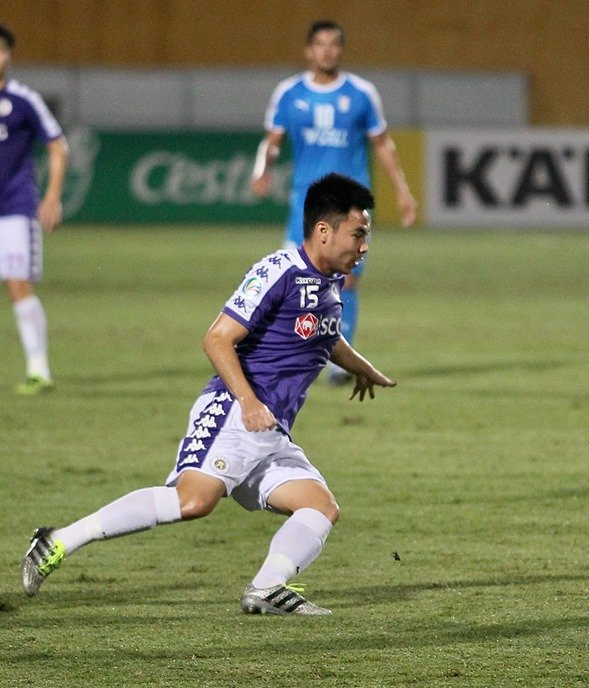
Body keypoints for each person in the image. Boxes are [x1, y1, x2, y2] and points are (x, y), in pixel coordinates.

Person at [21, 173, 396, 615]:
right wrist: (248, 402)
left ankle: (267, 587)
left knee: (319, 506)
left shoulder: (330, 280)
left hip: (271, 430)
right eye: (358, 234)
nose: (364, 247)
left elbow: (324, 336)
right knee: (193, 501)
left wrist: (363, 368)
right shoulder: (278, 271)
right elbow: (217, 338)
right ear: (324, 231)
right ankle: (58, 540)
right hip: (234, 412)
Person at [251, 19, 417, 385]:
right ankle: (290, 352)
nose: (327, 50)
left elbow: (382, 144)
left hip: (351, 203)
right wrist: (263, 169)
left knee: (347, 279)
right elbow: (272, 141)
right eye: (320, 44)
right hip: (307, 204)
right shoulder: (289, 93)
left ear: (341, 50)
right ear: (309, 51)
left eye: (333, 44)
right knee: (297, 280)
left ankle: (340, 363)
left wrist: (402, 190)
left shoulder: (361, 94)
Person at [0, 24, 68, 394]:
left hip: (14, 207)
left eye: (1, 50)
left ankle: (38, 369)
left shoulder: (23, 99)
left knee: (18, 283)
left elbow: (57, 145)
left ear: (9, 56)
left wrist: (52, 197)